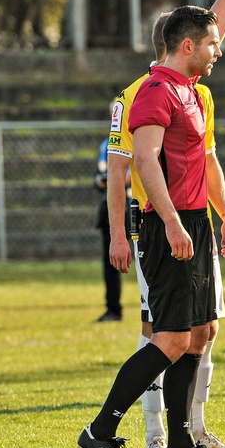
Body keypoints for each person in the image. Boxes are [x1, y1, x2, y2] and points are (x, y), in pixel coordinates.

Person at [77, 0, 225, 448]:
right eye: (211, 44)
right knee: (169, 336)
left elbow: (210, 28)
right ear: (186, 46)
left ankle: (179, 447)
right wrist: (164, 224)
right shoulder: (148, 93)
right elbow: (138, 162)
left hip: (195, 221)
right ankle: (100, 430)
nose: (220, 49)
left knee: (197, 334)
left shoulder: (193, 90)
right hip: (164, 223)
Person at [94, 137, 125, 322]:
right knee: (111, 263)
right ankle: (113, 309)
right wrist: (99, 180)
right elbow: (99, 174)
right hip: (111, 210)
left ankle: (156, 311)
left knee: (149, 261)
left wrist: (119, 178)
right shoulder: (106, 143)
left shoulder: (143, 134)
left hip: (139, 206)